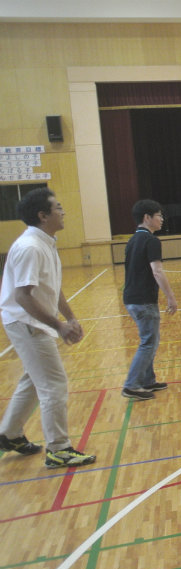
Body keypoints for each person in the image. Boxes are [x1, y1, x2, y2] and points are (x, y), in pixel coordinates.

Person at [0, 188, 95, 468]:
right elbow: (23, 296)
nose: (63, 212)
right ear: (43, 216)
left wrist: (70, 317)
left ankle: (9, 434)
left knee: (33, 379)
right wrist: (58, 325)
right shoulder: (30, 247)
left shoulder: (45, 243)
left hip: (32, 321)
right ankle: (59, 449)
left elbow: (51, 288)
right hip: (27, 322)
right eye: (58, 208)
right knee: (53, 384)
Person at [121, 199, 178, 401]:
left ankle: (147, 380)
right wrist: (170, 297)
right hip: (143, 300)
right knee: (149, 342)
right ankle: (132, 385)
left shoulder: (132, 240)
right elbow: (157, 271)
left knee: (149, 340)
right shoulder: (151, 241)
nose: (162, 219)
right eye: (159, 215)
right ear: (147, 217)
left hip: (131, 298)